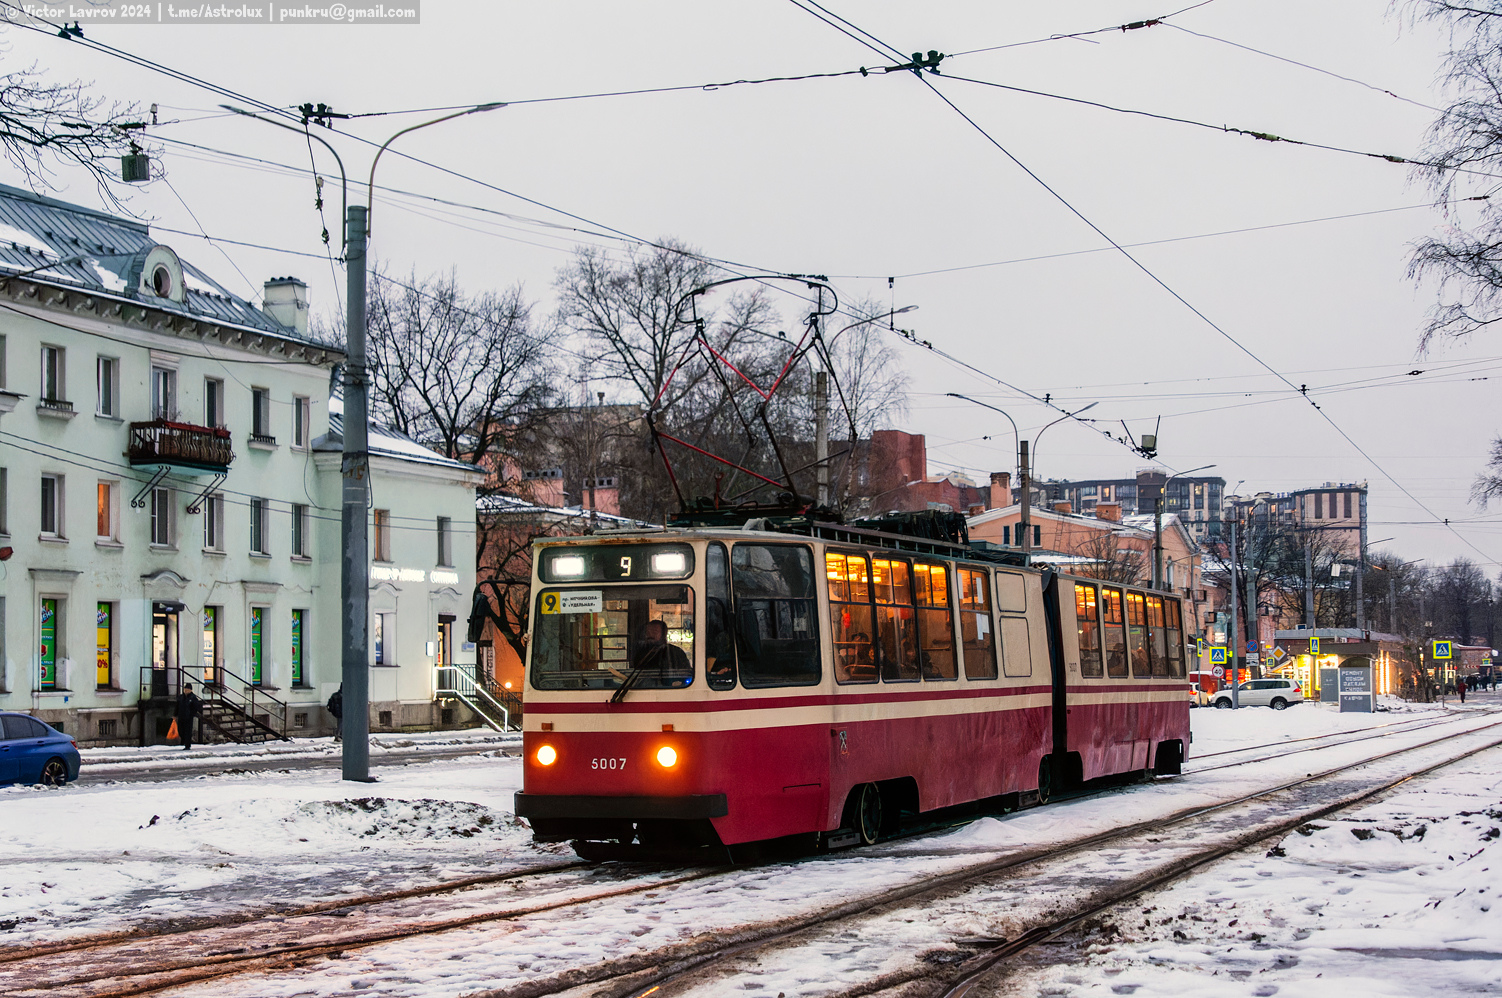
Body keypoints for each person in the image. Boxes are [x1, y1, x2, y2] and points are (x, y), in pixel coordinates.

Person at [175, 682, 203, 750]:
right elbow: (177, 706)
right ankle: (183, 741)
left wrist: (192, 714)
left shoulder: (193, 697)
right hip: (181, 716)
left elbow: (196, 707)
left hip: (188, 717)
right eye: (185, 689)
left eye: (187, 689)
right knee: (180, 730)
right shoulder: (181, 697)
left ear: (190, 690)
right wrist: (175, 714)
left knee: (188, 731)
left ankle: (187, 745)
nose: (186, 691)